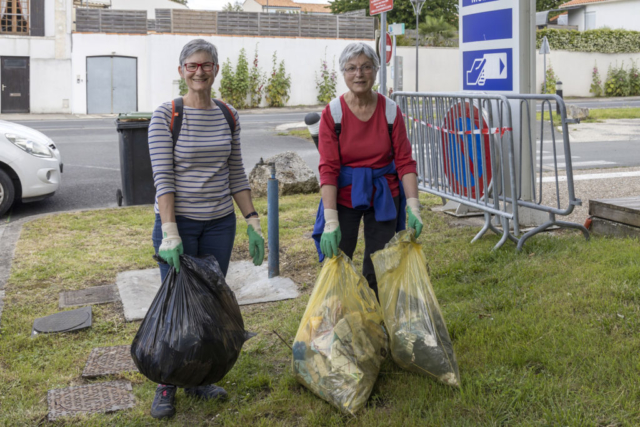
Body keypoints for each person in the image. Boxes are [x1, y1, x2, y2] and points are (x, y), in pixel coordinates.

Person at [147, 38, 265, 420]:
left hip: (219, 224)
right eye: (192, 65)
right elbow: (163, 178)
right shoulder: (166, 115)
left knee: (207, 306)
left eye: (207, 65)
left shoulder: (228, 114)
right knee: (175, 307)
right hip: (177, 227)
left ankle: (196, 377)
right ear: (181, 70)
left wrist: (252, 220)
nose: (200, 71)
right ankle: (167, 381)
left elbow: (235, 171)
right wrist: (169, 231)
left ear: (216, 69)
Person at [313, 42, 423, 299]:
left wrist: (414, 207)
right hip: (344, 195)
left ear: (376, 71)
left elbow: (405, 162)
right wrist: (330, 221)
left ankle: (375, 322)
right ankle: (340, 319)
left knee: (380, 263)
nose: (359, 74)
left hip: (384, 194)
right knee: (338, 260)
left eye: (365, 67)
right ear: (343, 73)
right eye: (351, 68)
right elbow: (328, 168)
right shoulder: (334, 113)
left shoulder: (390, 111)